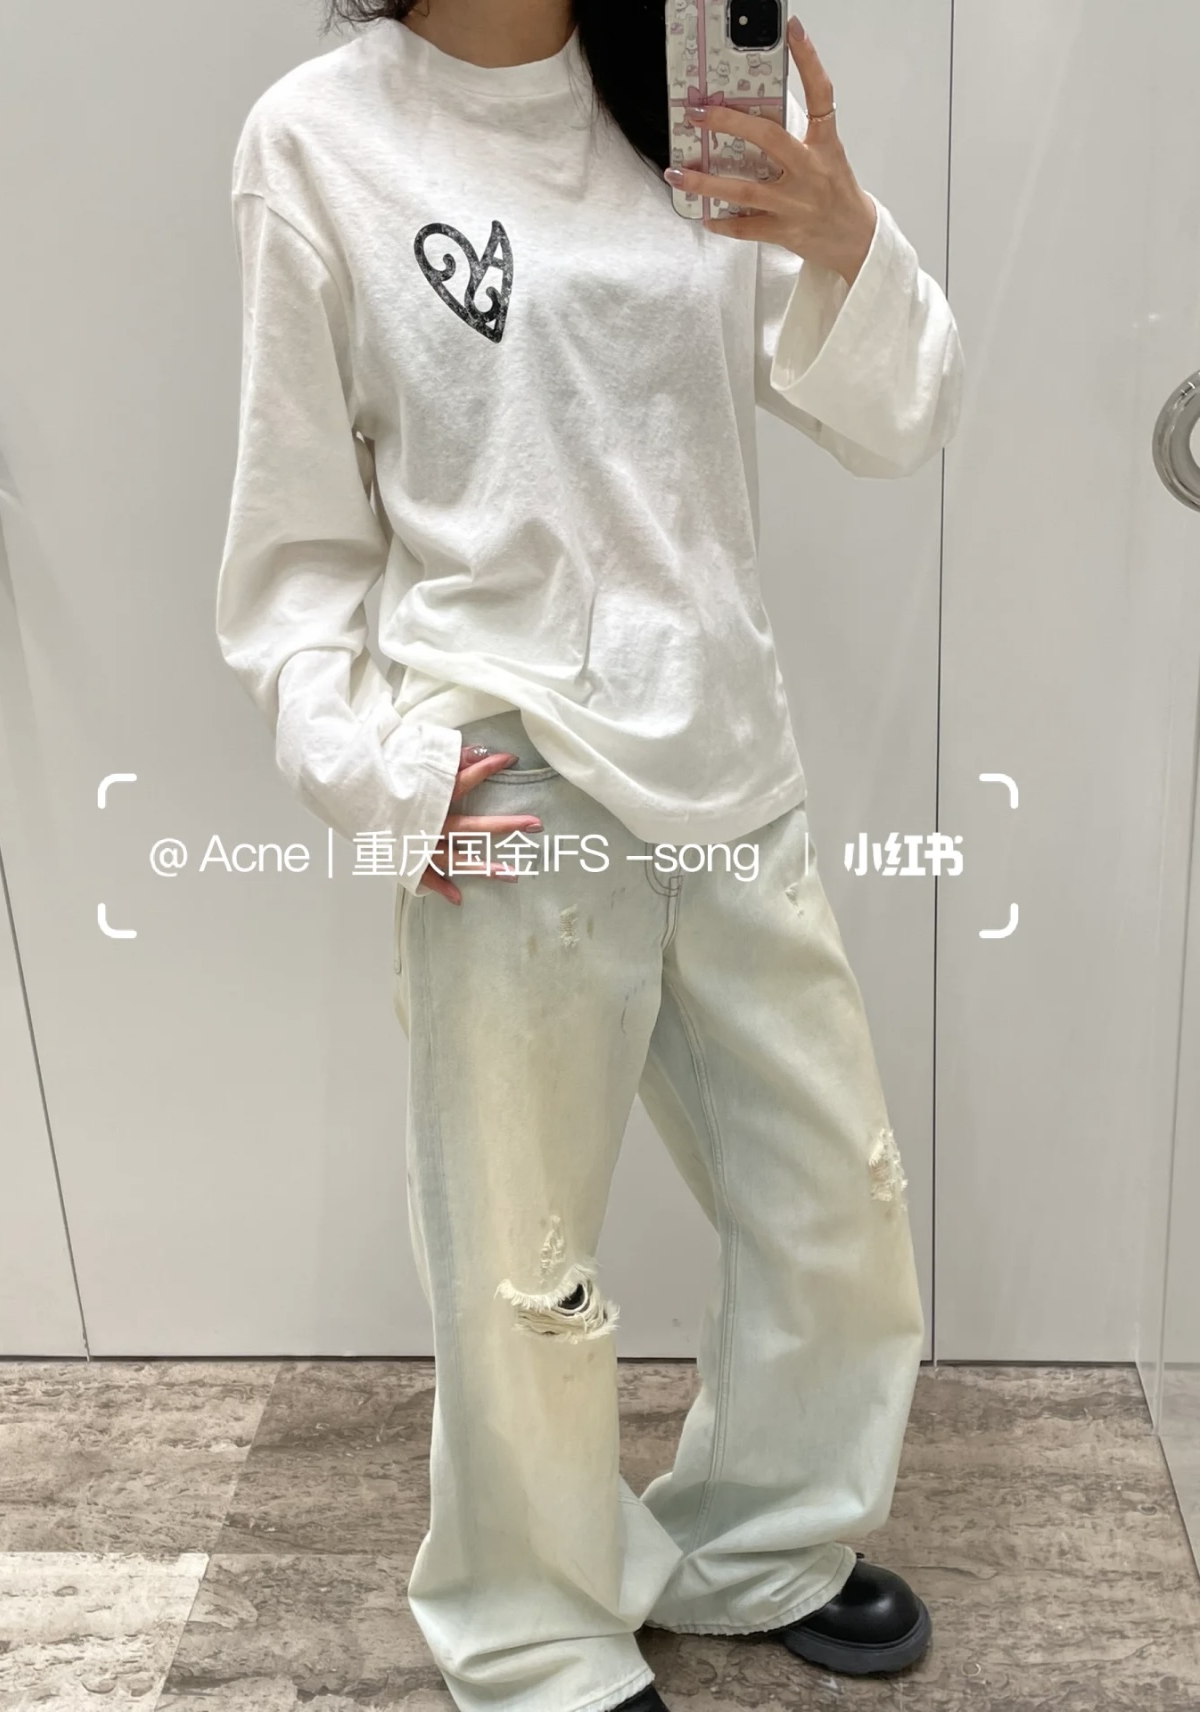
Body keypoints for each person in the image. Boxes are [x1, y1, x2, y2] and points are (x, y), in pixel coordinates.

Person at [215, 1, 964, 1707]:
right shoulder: (319, 138)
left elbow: (900, 416)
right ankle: (536, 1622)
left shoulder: (681, 102)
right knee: (521, 1261)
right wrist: (377, 773)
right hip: (515, 784)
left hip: (732, 763)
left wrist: (845, 234)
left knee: (832, 1212)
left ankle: (762, 1542)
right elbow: (292, 537)